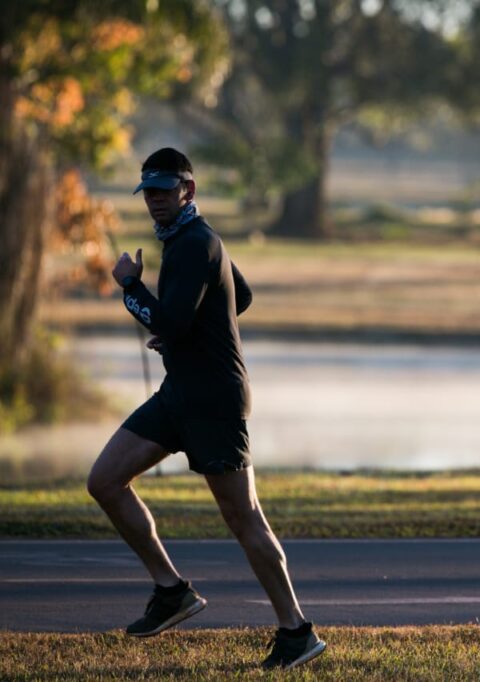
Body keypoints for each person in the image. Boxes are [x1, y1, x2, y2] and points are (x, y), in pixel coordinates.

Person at [86, 147, 326, 670]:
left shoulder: (196, 243)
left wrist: (130, 286)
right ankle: (171, 591)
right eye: (148, 192)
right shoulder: (189, 240)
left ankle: (297, 631)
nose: (155, 201)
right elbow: (239, 295)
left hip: (215, 402)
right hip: (180, 394)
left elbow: (172, 320)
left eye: (164, 191)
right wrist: (187, 333)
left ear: (187, 191)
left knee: (244, 518)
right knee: (104, 479)